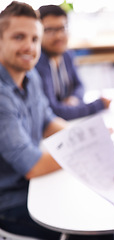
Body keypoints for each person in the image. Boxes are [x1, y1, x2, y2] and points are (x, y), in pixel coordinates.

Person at [0, 2, 65, 238]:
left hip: (33, 187)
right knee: (85, 224)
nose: (29, 46)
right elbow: (33, 166)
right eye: (19, 37)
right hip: (9, 201)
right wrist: (79, 151)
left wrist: (84, 135)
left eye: (35, 39)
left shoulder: (31, 75)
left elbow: (47, 121)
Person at [36, 5, 111, 120]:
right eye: (50, 30)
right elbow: (54, 111)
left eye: (62, 28)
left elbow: (79, 85)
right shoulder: (38, 63)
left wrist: (74, 98)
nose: (59, 35)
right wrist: (98, 104)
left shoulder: (66, 55)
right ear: (38, 33)